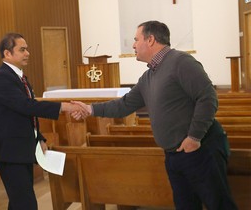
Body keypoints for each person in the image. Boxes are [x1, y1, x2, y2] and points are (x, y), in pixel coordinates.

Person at [72, 21, 238, 210]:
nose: (133, 45)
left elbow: (208, 98)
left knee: (219, 205)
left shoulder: (181, 62)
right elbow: (124, 105)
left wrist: (194, 136)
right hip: (174, 155)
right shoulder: (149, 77)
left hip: (200, 149)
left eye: (136, 39)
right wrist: (90, 109)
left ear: (150, 40)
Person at [0, 32, 86, 210]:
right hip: (9, 150)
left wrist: (38, 137)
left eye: (27, 49)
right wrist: (64, 107)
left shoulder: (19, 77)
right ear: (7, 53)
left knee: (20, 201)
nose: (28, 53)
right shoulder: (2, 77)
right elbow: (26, 106)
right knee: (25, 203)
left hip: (20, 147)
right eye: (22, 49)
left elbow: (23, 115)